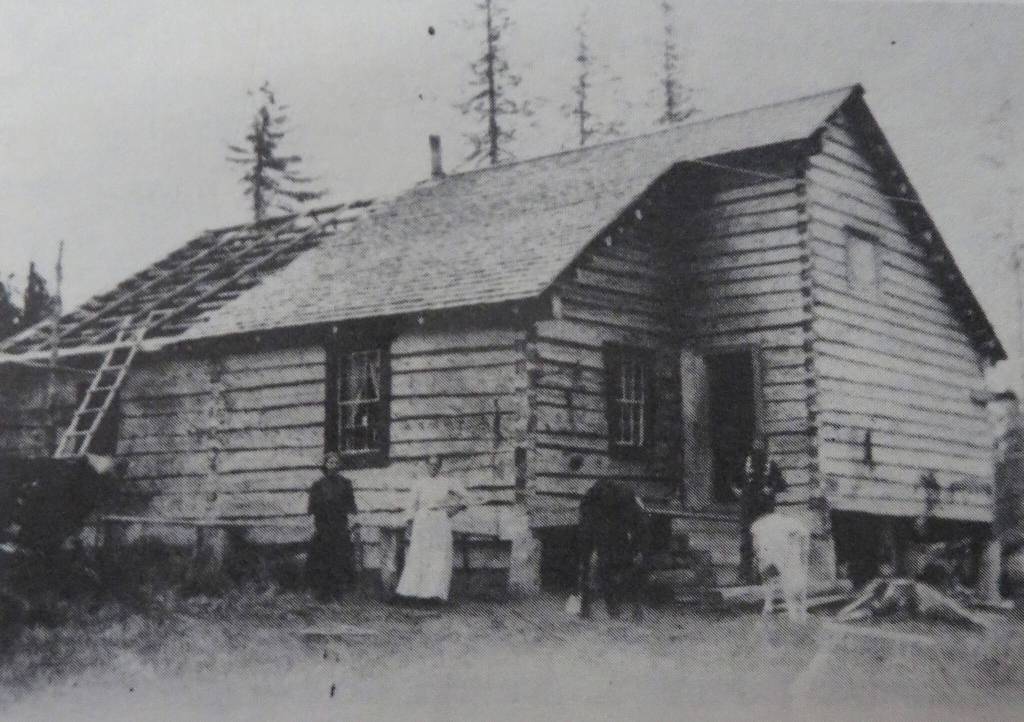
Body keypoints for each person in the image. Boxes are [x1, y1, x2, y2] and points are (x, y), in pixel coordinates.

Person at [395, 455, 468, 603]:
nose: (433, 468)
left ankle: (435, 594)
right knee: (419, 554)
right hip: (422, 520)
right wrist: (409, 523)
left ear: (440, 466)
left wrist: (455, 509)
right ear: (426, 465)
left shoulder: (447, 481)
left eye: (436, 465)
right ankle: (413, 593)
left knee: (439, 556)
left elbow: (466, 497)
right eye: (430, 465)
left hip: (440, 520)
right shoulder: (419, 483)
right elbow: (411, 505)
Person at [731, 439, 787, 583]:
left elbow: (782, 485)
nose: (758, 451)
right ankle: (744, 575)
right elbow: (733, 482)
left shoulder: (771, 465)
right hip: (748, 509)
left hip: (765, 509)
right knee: (747, 542)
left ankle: (763, 576)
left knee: (765, 542)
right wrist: (740, 492)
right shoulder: (745, 464)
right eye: (755, 448)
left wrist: (771, 488)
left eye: (761, 448)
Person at [307, 452, 357, 602]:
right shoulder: (317, 485)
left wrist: (353, 522)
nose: (333, 465)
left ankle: (338, 592)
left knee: (339, 559)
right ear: (325, 465)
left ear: (339, 465)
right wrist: (313, 526)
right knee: (322, 559)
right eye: (330, 462)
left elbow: (352, 506)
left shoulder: (346, 484)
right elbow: (312, 508)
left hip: (340, 526)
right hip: (323, 527)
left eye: (336, 463)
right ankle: (322, 593)